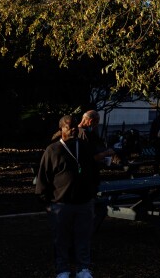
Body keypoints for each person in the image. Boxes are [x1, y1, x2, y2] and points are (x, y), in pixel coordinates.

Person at [36, 115, 99, 278]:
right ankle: (62, 269)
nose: (72, 130)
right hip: (61, 203)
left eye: (74, 127)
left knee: (83, 237)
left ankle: (83, 268)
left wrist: (92, 194)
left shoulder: (84, 147)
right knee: (61, 239)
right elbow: (44, 177)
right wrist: (48, 201)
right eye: (68, 127)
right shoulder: (53, 150)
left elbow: (94, 172)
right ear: (60, 129)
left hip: (84, 202)